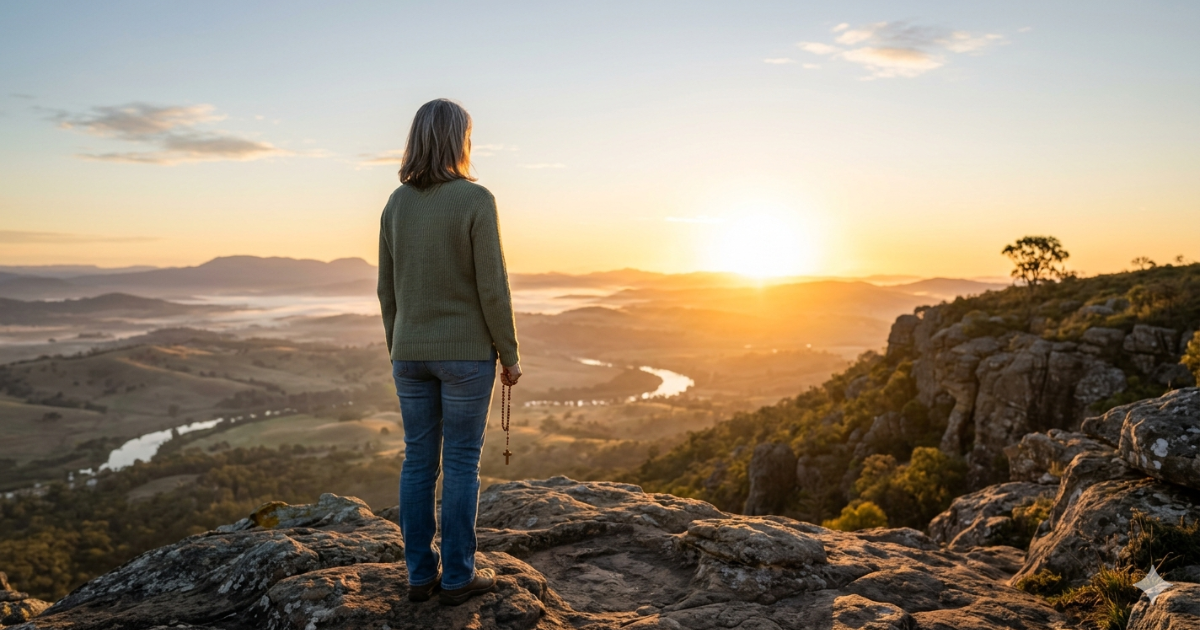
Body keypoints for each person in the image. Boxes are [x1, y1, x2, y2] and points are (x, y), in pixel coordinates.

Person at [377, 98, 522, 606]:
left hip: (408, 352)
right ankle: (458, 578)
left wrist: (401, 345)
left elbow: (386, 291)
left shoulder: (396, 203)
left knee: (418, 461)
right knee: (460, 462)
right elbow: (494, 288)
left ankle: (419, 576)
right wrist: (509, 354)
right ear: (459, 139)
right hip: (465, 356)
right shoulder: (475, 199)